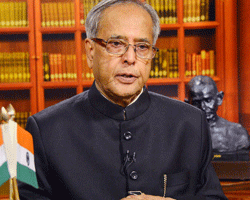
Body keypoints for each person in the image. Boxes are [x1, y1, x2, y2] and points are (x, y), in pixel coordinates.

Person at [18, 0, 227, 199]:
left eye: (142, 46)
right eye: (116, 44)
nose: (130, 58)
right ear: (90, 52)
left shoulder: (190, 123)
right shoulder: (44, 130)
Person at [186, 75, 250, 153]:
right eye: (196, 102)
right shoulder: (181, 135)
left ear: (219, 98)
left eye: (208, 100)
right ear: (187, 104)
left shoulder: (237, 133)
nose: (203, 107)